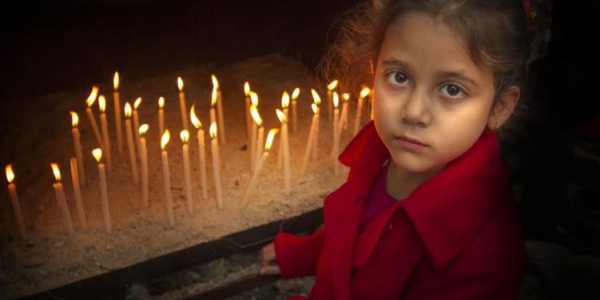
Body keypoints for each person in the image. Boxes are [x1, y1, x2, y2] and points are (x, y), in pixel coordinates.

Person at [260, 0, 531, 299]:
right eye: (399, 77)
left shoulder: (483, 264)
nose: (413, 112)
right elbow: (359, 232)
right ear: (375, 71)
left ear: (500, 107)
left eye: (452, 89)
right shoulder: (380, 155)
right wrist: (302, 254)